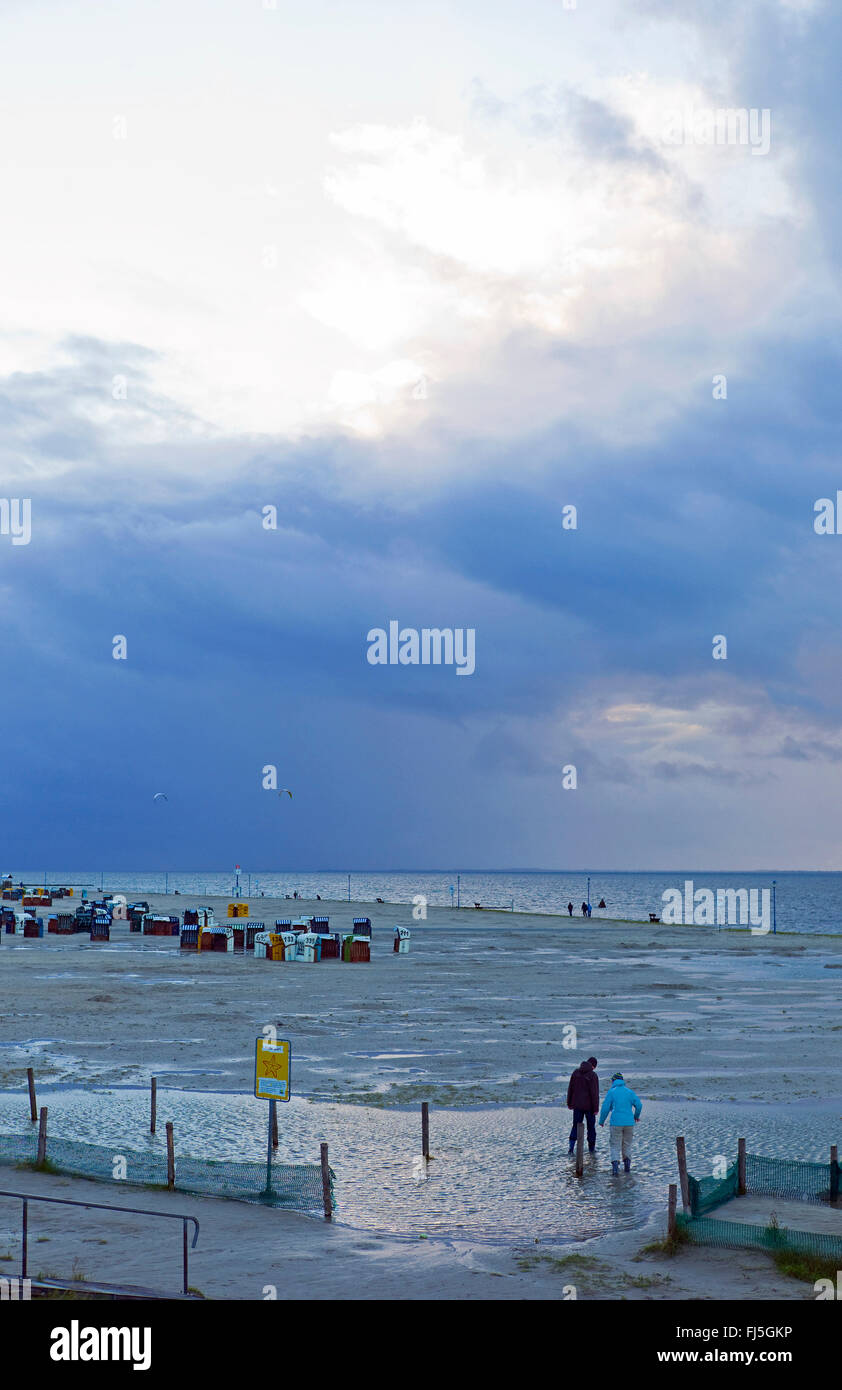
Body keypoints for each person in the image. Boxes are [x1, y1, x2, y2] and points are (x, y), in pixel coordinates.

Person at [599, 1072, 643, 1174]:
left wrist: (602, 1121)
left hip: (616, 1123)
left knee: (615, 1145)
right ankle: (627, 1168)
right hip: (629, 1123)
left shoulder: (611, 1092)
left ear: (613, 1081)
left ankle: (615, 1170)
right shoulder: (630, 1092)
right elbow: (639, 1105)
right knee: (627, 1144)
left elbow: (605, 1108)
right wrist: (636, 1116)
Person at [566, 1056, 599, 1155]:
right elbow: (594, 1093)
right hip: (589, 1107)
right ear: (593, 1066)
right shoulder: (593, 1075)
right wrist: (596, 1108)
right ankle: (591, 1150)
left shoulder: (576, 1073)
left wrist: (569, 1103)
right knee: (591, 1128)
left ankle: (571, 1149)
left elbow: (570, 1089)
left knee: (575, 1126)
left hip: (577, 1106)